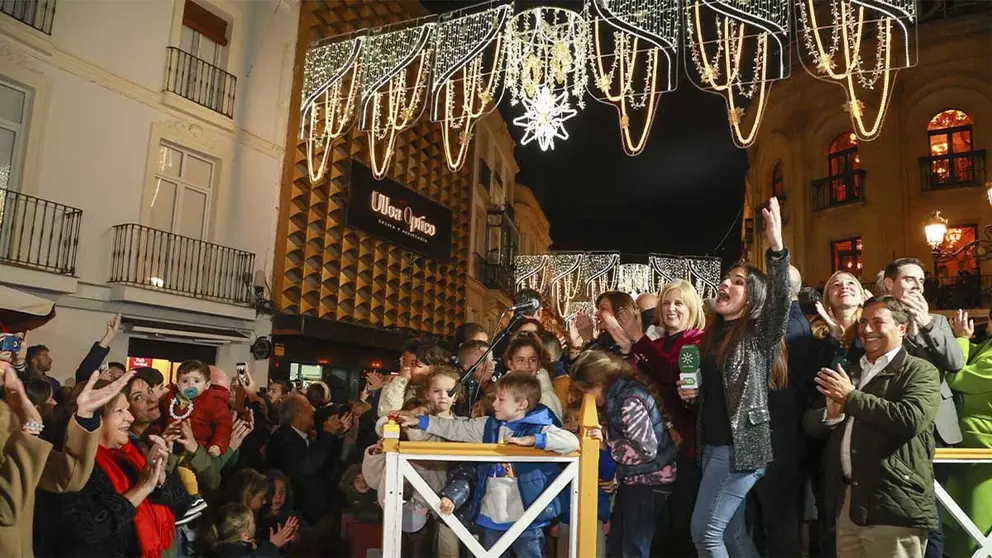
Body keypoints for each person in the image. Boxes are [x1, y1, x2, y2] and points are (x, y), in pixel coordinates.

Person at [680, 197, 790, 558]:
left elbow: (781, 300)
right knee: (732, 536)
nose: (726, 285)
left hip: (740, 451)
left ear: (753, 298)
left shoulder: (758, 334)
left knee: (705, 533)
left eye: (738, 282)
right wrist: (691, 394)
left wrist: (776, 248)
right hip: (713, 448)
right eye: (726, 279)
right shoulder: (713, 336)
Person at [805, 296, 940, 558]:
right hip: (849, 506)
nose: (867, 330)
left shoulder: (920, 371)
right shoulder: (850, 371)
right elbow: (810, 424)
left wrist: (850, 398)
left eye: (878, 322)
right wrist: (831, 417)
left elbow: (909, 419)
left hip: (893, 505)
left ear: (902, 328)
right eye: (864, 322)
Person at [397, 373, 579, 558]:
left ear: (521, 404)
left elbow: (571, 442)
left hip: (527, 516)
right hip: (491, 514)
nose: (494, 404)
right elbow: (455, 429)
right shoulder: (488, 426)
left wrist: (535, 440)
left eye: (501, 400)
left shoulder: (541, 427)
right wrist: (421, 422)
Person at [0, 365, 131, 557]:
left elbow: (66, 479)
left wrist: (86, 416)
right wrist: (30, 429)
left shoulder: (7, 414)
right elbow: (6, 510)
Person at [882, 257, 964, 558]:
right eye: (909, 279)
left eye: (920, 280)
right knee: (904, 513)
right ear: (890, 284)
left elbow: (955, 363)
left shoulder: (939, 322)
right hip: (899, 430)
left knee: (933, 515)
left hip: (939, 433)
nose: (917, 286)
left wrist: (926, 325)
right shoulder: (880, 321)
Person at [621, 279, 706, 557]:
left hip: (685, 447)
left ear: (691, 307)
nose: (671, 309)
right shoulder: (659, 341)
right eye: (666, 303)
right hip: (655, 449)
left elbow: (671, 372)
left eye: (678, 303)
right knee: (658, 528)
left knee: (680, 524)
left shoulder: (696, 339)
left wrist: (638, 338)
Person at [59, 383, 194, 557]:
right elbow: (88, 529)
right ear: (95, 418)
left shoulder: (134, 453)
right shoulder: (73, 466)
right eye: (120, 411)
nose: (130, 417)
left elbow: (182, 505)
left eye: (128, 410)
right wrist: (141, 488)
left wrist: (160, 478)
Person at [572, 351, 678, 558]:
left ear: (598, 383)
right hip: (636, 482)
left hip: (649, 484)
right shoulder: (621, 396)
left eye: (585, 390)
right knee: (620, 546)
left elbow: (646, 449)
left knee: (634, 548)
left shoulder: (629, 400)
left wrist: (608, 444)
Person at [943, 309, 992, 557]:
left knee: (976, 525)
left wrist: (961, 338)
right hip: (966, 448)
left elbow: (956, 374)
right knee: (959, 520)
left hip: (983, 451)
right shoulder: (985, 347)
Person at [266, 394, 341, 524]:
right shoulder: (284, 438)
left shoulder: (304, 436)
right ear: (297, 413)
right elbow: (308, 467)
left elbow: (324, 463)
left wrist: (334, 435)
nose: (313, 409)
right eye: (308, 406)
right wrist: (327, 434)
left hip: (315, 510)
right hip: (299, 512)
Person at [161, 360, 234, 456]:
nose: (190, 385)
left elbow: (223, 426)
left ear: (207, 385)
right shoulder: (170, 400)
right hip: (172, 447)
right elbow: (161, 420)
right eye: (185, 381)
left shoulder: (214, 403)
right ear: (178, 385)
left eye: (196, 381)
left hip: (201, 449)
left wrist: (218, 444)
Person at [202, 502, 298, 557]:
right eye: (252, 522)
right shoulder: (232, 552)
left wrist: (282, 546)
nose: (255, 524)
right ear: (244, 534)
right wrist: (272, 546)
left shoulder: (247, 547)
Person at [503, 332, 563, 420]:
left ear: (539, 363)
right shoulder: (502, 392)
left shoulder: (545, 397)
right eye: (520, 360)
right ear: (510, 364)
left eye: (532, 360)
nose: (527, 365)